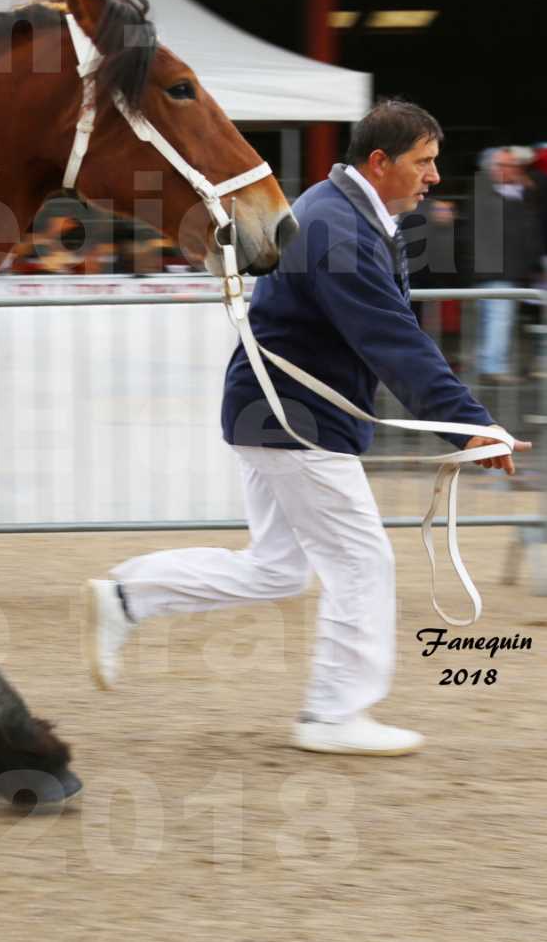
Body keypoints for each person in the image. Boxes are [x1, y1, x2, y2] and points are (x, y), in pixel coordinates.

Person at [83, 99, 528, 756]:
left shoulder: (340, 212)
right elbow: (392, 340)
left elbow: (386, 336)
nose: (433, 177)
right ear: (378, 162)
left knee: (277, 569)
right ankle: (332, 714)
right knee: (360, 561)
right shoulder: (337, 230)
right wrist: (467, 427)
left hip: (276, 417)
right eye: (423, 163)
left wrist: (464, 424)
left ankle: (126, 596)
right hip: (295, 422)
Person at [469, 146, 544, 384]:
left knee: (495, 318)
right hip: (497, 269)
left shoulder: (513, 194)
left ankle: (489, 363)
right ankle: (492, 367)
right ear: (496, 168)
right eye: (508, 166)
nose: (514, 171)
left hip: (504, 268)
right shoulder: (491, 196)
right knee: (498, 318)